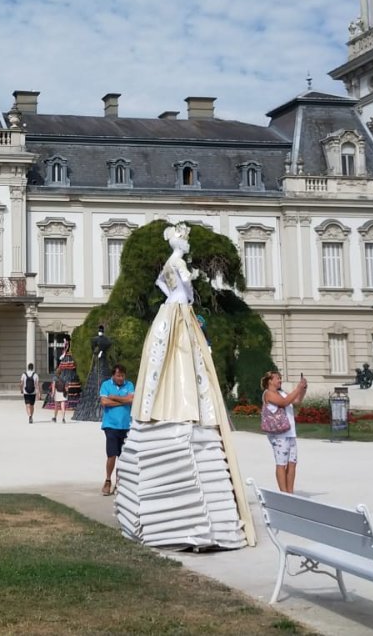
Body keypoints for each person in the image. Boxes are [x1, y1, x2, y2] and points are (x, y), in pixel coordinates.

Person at [117, 223, 255, 549]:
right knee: (180, 358)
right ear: (177, 242)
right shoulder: (177, 263)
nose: (187, 244)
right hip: (179, 316)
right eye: (184, 239)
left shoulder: (169, 265)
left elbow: (167, 287)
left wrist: (181, 290)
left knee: (166, 360)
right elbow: (187, 292)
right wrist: (189, 282)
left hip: (171, 315)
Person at [262, 371, 307, 493]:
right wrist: (298, 388)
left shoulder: (282, 393)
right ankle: (283, 493)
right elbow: (284, 402)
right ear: (270, 381)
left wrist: (303, 389)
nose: (280, 380)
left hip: (290, 432)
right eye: (278, 378)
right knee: (281, 463)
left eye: (280, 378)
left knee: (292, 462)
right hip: (278, 434)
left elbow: (296, 401)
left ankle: (290, 493)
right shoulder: (268, 394)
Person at [100, 364, 135, 495]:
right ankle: (108, 480)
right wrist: (123, 401)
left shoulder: (129, 385)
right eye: (118, 376)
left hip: (126, 426)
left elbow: (131, 400)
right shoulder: (106, 385)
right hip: (110, 425)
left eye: (122, 376)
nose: (121, 378)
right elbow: (104, 402)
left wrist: (114, 397)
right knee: (112, 454)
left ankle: (119, 482)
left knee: (123, 456)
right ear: (113, 375)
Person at [73, 325, 114, 422]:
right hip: (98, 361)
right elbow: (94, 347)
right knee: (97, 375)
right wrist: (98, 352)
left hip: (102, 362)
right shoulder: (97, 339)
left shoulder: (103, 340)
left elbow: (102, 346)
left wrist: (101, 351)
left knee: (101, 375)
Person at [48, 343, 78, 423]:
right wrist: (67, 391)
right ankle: (63, 418)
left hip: (57, 392)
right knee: (63, 405)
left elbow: (53, 386)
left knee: (56, 405)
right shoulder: (64, 377)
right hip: (63, 392)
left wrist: (52, 393)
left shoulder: (55, 377)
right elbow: (67, 385)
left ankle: (55, 417)